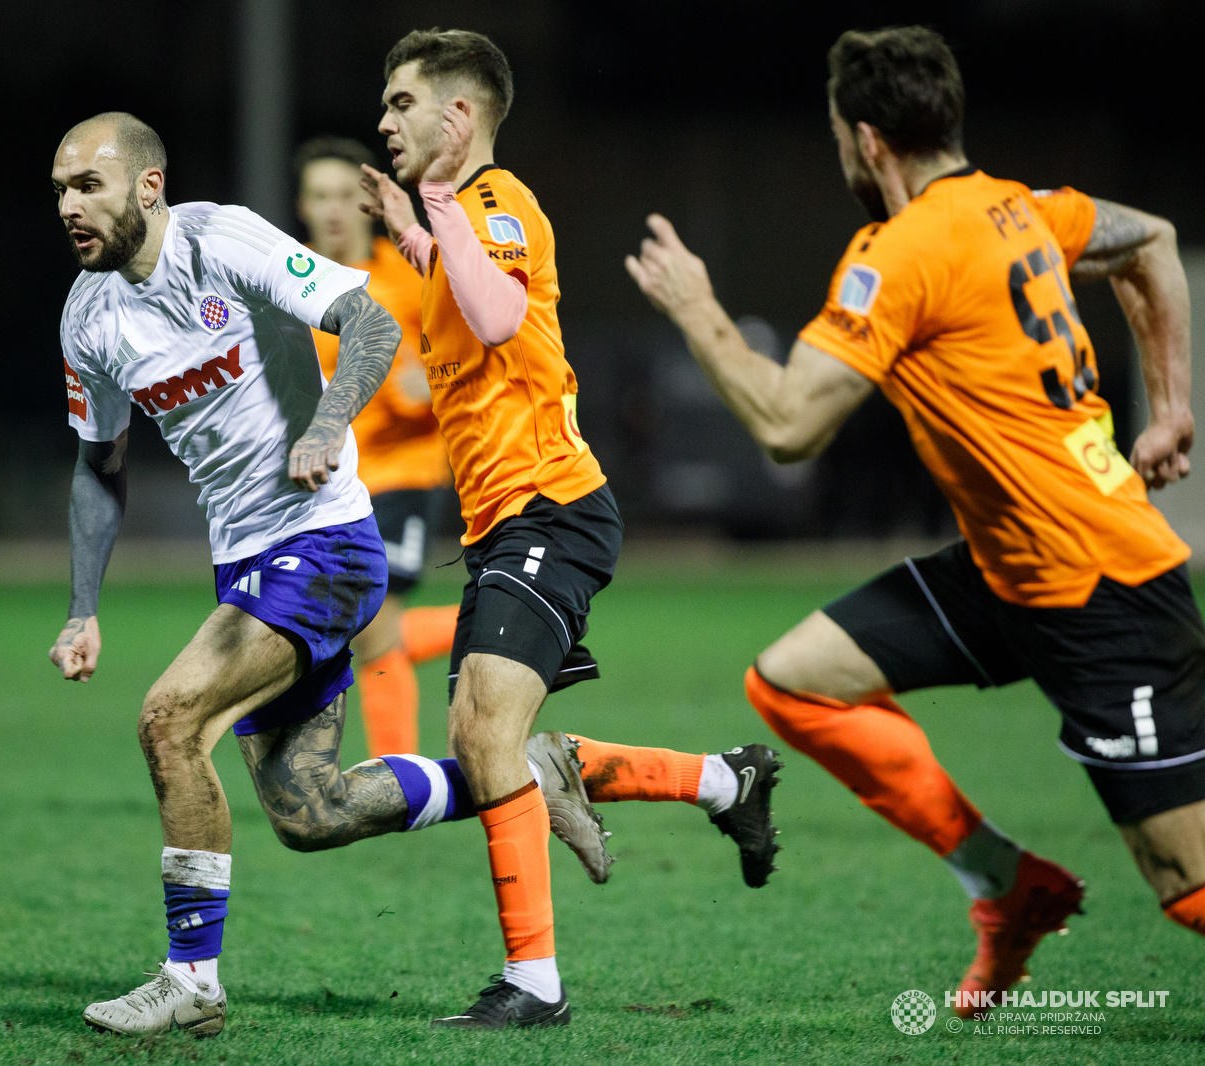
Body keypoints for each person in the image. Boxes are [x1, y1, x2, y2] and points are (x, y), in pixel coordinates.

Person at [46, 111, 762, 1040]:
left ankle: (191, 979)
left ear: (148, 186)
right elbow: (99, 467)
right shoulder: (89, 315)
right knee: (311, 811)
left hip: (329, 543)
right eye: (59, 188)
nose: (68, 205)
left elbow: (368, 319)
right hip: (247, 565)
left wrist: (327, 421)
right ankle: (528, 774)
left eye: (86, 186)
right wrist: (82, 609)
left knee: (170, 718)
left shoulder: (220, 241)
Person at [625, 26, 1204, 1020]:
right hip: (1012, 568)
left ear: (864, 140)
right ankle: (1004, 884)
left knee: (1185, 885)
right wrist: (1170, 404)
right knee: (794, 682)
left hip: (1102, 585)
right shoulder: (1017, 207)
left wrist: (697, 310)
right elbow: (1148, 238)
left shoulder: (898, 254)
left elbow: (786, 425)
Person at [360, 29, 783, 1030]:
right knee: (481, 743)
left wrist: (435, 216)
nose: (383, 121)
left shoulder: (498, 205)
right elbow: (467, 302)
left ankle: (533, 985)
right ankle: (726, 780)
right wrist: (419, 237)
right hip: (505, 522)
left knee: (488, 735)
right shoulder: (460, 220)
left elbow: (501, 313)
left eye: (401, 103)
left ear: (458, 120)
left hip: (551, 504)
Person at [294, 135, 459, 757]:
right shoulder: (293, 284)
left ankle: (400, 777)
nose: (333, 209)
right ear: (302, 206)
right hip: (329, 482)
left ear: (367, 203)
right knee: (352, 629)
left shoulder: (412, 275)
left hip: (403, 472)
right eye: (319, 196)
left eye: (344, 195)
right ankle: (505, 626)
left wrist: (433, 385)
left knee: (371, 626)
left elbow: (472, 361)